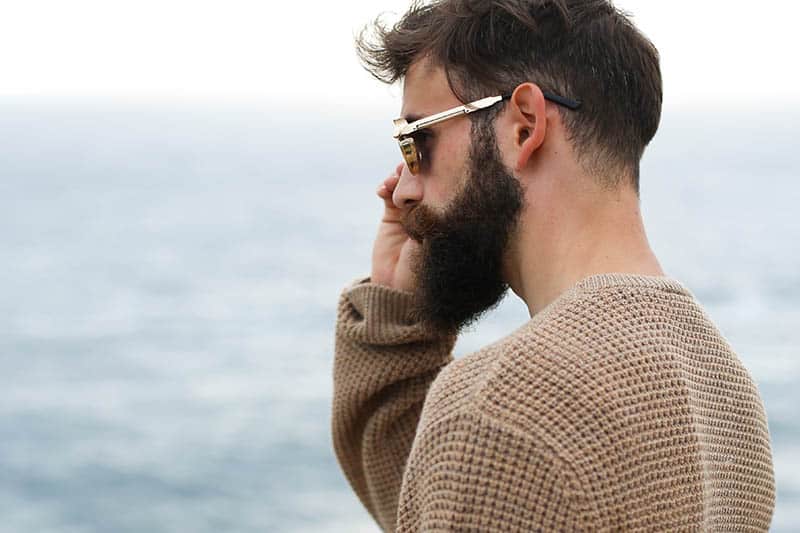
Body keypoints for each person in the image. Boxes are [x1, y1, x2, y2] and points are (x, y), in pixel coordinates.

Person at [331, 1, 776, 530]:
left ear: (525, 126)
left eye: (417, 140)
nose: (403, 188)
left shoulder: (503, 412)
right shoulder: (725, 392)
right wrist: (400, 311)